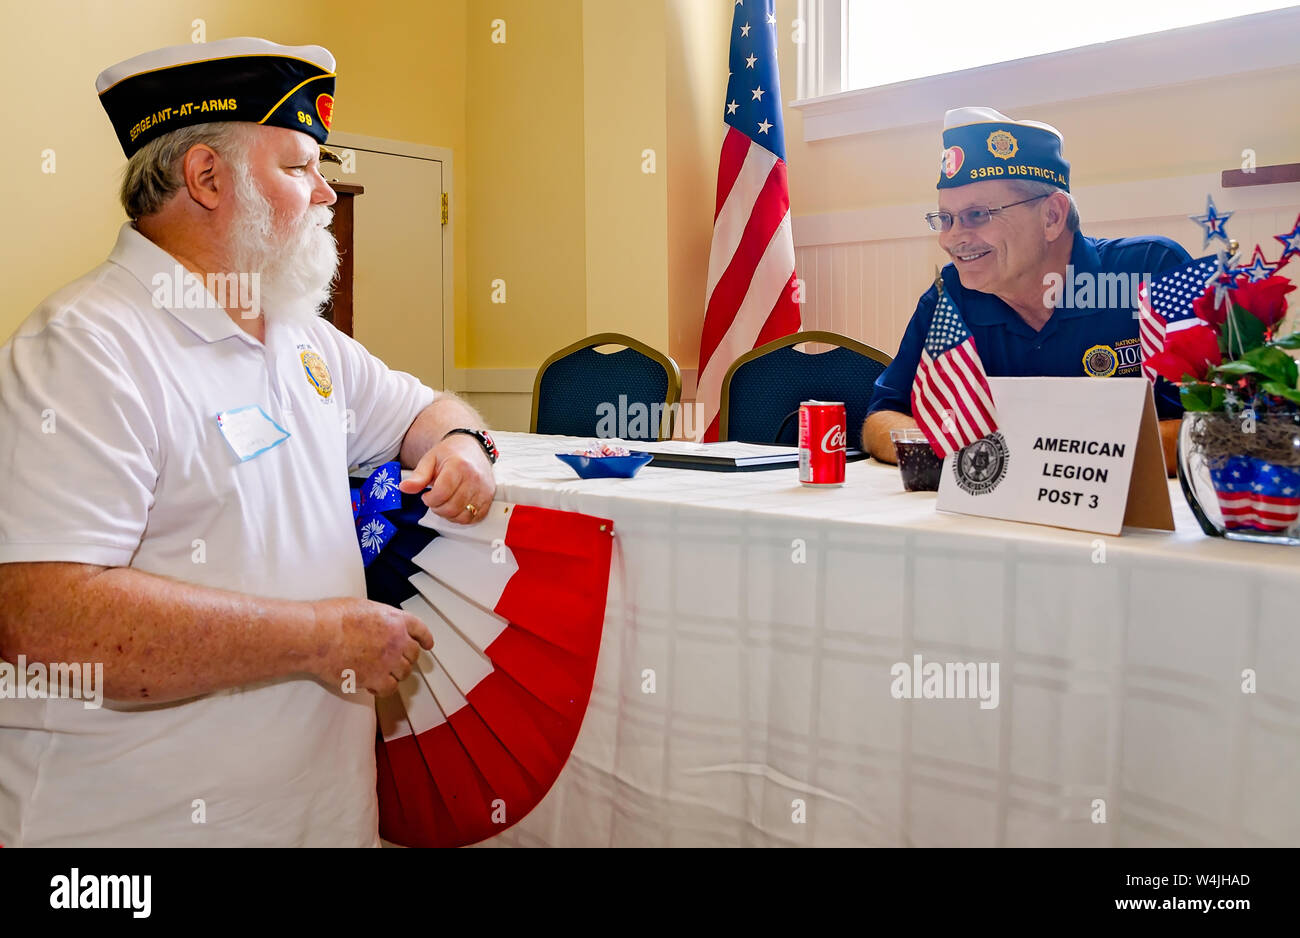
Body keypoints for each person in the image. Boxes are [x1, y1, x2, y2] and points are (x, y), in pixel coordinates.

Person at [0, 37, 498, 846]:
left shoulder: (302, 338)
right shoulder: (84, 347)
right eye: (300, 167)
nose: (327, 194)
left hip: (314, 817)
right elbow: (46, 618)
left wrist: (464, 444)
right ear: (205, 178)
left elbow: (423, 411)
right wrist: (321, 638)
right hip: (129, 830)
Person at [863, 107, 1189, 475]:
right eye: (946, 219)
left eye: (977, 215)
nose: (951, 238)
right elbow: (881, 419)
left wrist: (1047, 453)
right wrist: (963, 454)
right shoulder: (950, 294)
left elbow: (1221, 428)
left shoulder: (1151, 270)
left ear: (1051, 216)